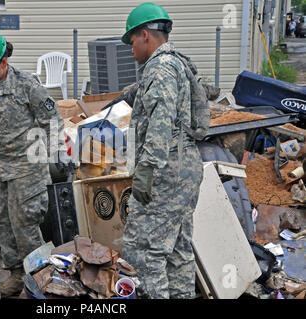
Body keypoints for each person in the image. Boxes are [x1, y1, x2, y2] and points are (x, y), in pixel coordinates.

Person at [0, 30, 67, 297]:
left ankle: (43, 279)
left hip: (26, 168)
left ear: (3, 62)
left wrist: (59, 155)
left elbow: (51, 120)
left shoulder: (27, 85)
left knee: (25, 226)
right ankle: (17, 274)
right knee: (1, 223)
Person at [120, 3, 204, 299]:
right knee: (177, 251)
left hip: (165, 172)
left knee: (142, 252)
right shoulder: (175, 64)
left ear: (145, 35)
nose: (130, 48)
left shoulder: (160, 67)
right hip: (185, 168)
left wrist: (146, 169)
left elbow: (161, 119)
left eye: (131, 40)